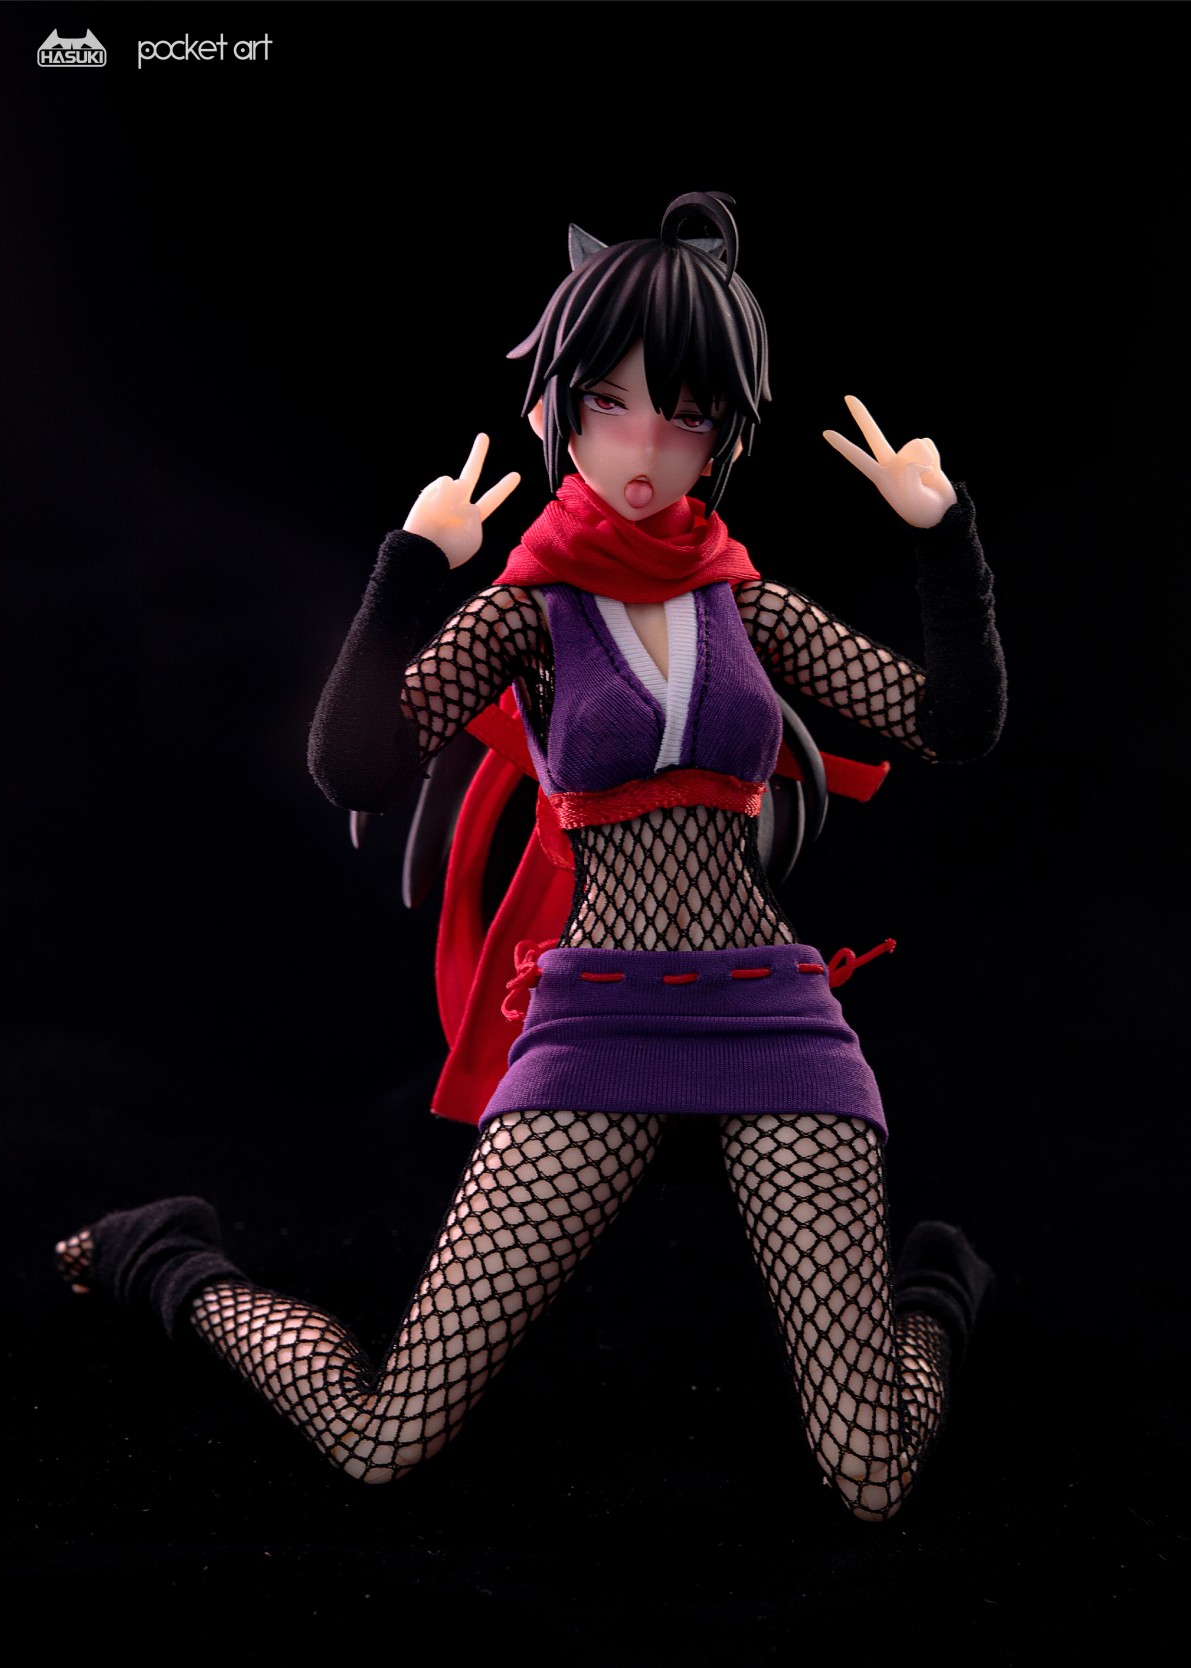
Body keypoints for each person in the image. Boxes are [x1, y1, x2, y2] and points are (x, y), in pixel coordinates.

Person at [56, 192, 1004, 1522]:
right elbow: (357, 766)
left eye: (683, 414)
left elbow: (951, 724)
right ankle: (169, 1261)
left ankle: (936, 1294)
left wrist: (942, 535)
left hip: (772, 1016)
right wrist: (410, 565)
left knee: (871, 1474)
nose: (643, 446)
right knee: (386, 1437)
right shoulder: (529, 613)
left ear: (724, 433)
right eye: (610, 403)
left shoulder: (746, 601)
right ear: (559, 405)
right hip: (597, 1016)